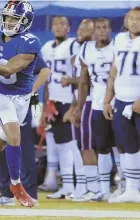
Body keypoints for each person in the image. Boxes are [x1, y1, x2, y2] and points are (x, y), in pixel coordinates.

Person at [0, 0, 41, 207]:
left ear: (25, 21)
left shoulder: (31, 42)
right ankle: (16, 185)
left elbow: (8, 70)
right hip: (1, 93)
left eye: (14, 18)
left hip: (22, 97)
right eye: (6, 17)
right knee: (14, 136)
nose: (8, 22)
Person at [71, 18, 121, 202]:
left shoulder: (118, 45)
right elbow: (84, 82)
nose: (101, 31)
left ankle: (124, 185)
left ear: (110, 29)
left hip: (119, 101)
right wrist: (79, 105)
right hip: (98, 104)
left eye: (105, 27)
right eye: (98, 28)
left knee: (121, 146)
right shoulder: (86, 49)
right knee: (102, 147)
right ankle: (104, 189)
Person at [40, 15, 81, 199]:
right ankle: (68, 186)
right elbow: (47, 80)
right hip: (54, 101)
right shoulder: (47, 48)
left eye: (62, 24)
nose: (58, 27)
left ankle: (80, 185)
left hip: (70, 100)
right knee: (62, 146)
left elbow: (82, 75)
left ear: (68, 27)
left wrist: (76, 104)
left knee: (73, 146)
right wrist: (45, 105)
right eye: (55, 24)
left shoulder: (73, 45)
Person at [103, 7, 140, 203]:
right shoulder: (120, 39)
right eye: (132, 19)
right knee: (128, 146)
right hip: (122, 99)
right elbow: (114, 72)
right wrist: (107, 99)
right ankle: (133, 189)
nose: (135, 22)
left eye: (139, 19)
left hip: (138, 100)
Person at [60, 18, 96, 200]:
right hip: (82, 100)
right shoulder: (80, 51)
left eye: (86, 28)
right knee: (80, 146)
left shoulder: (95, 50)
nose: (80, 31)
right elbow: (81, 84)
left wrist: (69, 80)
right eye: (80, 27)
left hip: (91, 101)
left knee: (91, 146)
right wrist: (74, 106)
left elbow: (87, 81)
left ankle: (96, 188)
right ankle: (85, 187)